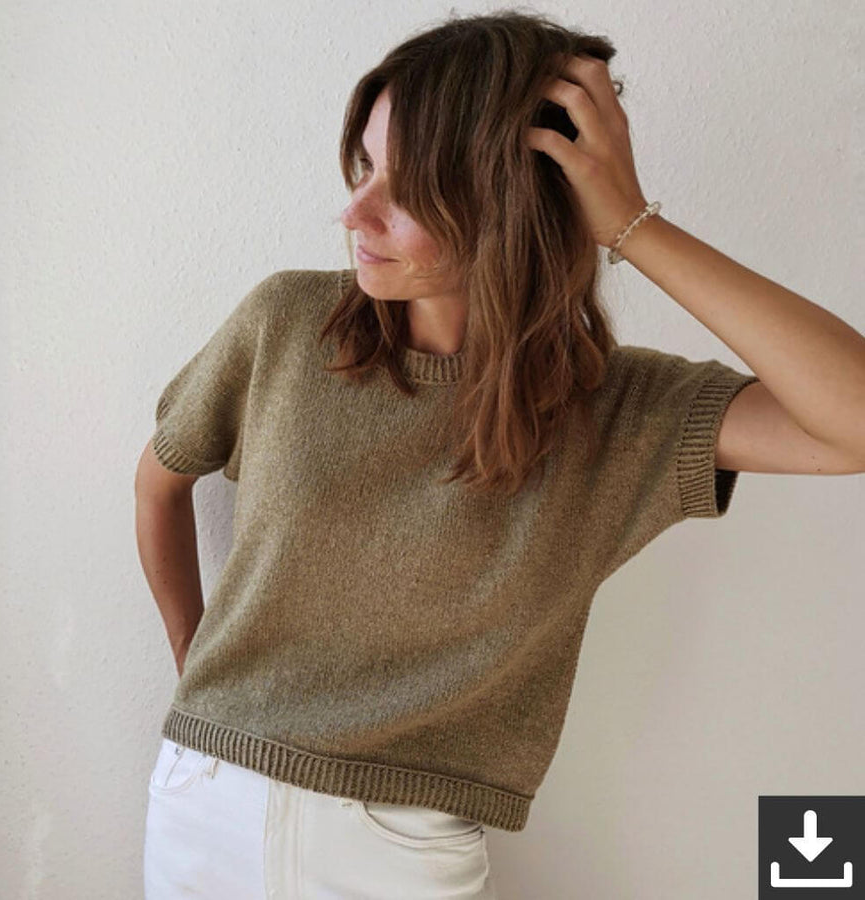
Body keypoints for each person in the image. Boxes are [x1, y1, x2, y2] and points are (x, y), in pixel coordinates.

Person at [134, 10, 865, 900]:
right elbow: (159, 483)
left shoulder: (616, 412)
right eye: (365, 166)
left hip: (404, 848)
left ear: (513, 203)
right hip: (205, 798)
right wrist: (195, 668)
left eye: (410, 189)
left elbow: (853, 422)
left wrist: (630, 224)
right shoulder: (287, 325)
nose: (353, 211)